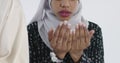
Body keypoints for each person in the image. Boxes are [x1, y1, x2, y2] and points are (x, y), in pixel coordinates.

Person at [27, 0, 104, 63]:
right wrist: (57, 56)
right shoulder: (33, 30)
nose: (65, 4)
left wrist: (78, 56)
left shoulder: (92, 30)